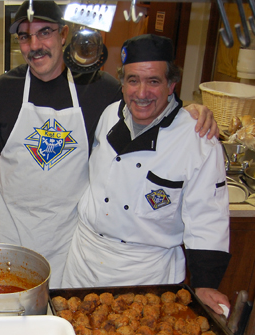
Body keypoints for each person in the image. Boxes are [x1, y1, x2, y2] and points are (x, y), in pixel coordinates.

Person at [0, 0, 217, 288]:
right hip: (8, 230)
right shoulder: (3, 89)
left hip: (67, 239)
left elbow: (146, 104)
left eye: (45, 32)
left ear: (64, 35)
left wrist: (186, 110)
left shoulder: (102, 90)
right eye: (25, 36)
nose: (34, 45)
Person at [62, 34, 231, 314]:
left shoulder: (198, 138)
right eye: (132, 80)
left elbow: (208, 217)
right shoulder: (108, 116)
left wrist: (205, 283)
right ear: (123, 83)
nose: (141, 93)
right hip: (85, 261)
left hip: (147, 273)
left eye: (153, 81)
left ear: (171, 85)